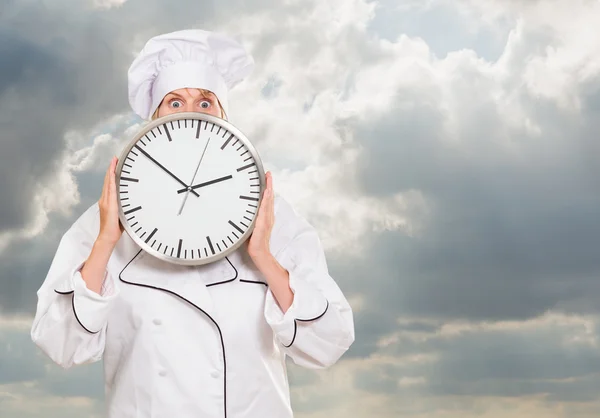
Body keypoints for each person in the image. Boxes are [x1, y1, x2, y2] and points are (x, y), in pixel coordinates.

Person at [30, 29, 355, 418]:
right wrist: (104, 242)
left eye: (205, 102)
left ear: (223, 118)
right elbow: (61, 346)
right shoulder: (107, 217)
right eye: (174, 102)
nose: (189, 112)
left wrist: (264, 257)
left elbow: (328, 343)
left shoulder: (271, 213)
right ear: (154, 119)